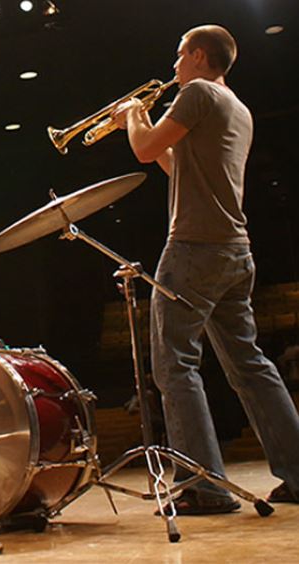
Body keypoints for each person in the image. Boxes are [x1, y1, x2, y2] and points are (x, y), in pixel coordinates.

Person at [113, 24, 299, 513]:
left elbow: (146, 148)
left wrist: (134, 117)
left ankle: (204, 486)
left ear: (198, 55)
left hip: (194, 249)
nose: (173, 65)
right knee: (250, 366)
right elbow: (176, 164)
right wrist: (145, 126)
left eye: (179, 55)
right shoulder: (236, 107)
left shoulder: (196, 91)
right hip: (235, 251)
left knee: (174, 365)